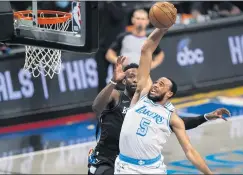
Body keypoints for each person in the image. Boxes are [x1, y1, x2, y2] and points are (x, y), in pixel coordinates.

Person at [115, 22, 231, 175]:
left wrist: (209, 174)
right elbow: (146, 49)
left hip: (152, 170)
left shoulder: (172, 118)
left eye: (161, 84)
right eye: (155, 82)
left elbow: (189, 151)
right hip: (125, 167)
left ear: (169, 93)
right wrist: (163, 28)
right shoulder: (141, 95)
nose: (155, 85)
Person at [88, 56, 228, 175]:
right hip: (105, 159)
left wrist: (205, 117)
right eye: (131, 76)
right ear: (124, 81)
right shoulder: (116, 95)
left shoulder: (149, 104)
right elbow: (96, 107)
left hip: (131, 162)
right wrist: (113, 81)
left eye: (139, 76)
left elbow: (177, 123)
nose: (136, 80)